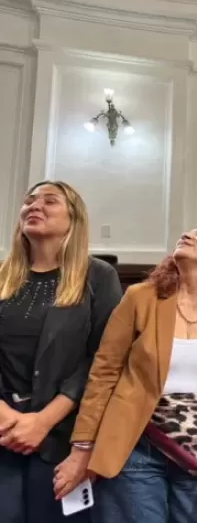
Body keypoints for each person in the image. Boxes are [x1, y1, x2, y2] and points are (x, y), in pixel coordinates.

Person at [53, 225, 197, 523]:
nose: (189, 234)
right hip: (137, 446)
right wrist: (82, 446)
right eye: (187, 232)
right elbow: (104, 373)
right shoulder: (141, 298)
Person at [0, 180, 122, 523]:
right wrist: (6, 416)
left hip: (62, 438)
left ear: (74, 219)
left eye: (49, 201)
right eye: (29, 200)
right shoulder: (1, 275)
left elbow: (102, 360)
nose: (34, 205)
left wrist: (42, 421)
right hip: (3, 431)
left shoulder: (98, 276)